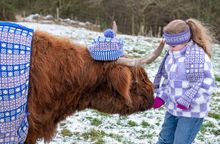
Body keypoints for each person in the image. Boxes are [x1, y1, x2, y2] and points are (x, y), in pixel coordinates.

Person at [153, 18, 215, 144]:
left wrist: (188, 100)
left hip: (191, 112)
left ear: (185, 41)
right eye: (169, 45)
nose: (170, 48)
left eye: (173, 46)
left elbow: (206, 85)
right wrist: (161, 97)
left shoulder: (198, 57)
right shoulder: (171, 57)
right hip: (172, 109)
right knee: (164, 140)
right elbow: (167, 82)